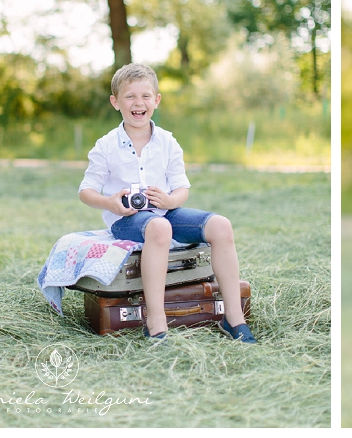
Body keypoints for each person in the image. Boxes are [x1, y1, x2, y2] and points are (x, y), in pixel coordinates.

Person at [79, 63, 255, 343]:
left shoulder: (168, 142)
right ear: (115, 102)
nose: (139, 103)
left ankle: (233, 318)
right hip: (126, 219)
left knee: (221, 225)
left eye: (146, 96)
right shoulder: (106, 145)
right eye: (130, 97)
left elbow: (181, 187)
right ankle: (156, 322)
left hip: (165, 211)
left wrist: (169, 199)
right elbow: (86, 191)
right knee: (159, 228)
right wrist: (111, 203)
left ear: (157, 99)